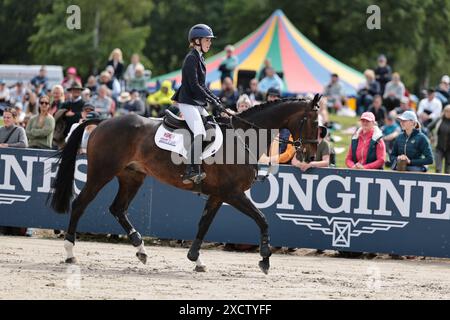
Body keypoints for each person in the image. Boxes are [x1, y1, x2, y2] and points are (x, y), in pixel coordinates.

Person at [172, 24, 222, 184]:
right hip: (187, 102)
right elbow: (194, 85)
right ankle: (190, 169)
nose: (210, 43)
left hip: (196, 103)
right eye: (207, 40)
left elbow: (203, 86)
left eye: (209, 40)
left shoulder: (199, 57)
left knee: (211, 126)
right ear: (197, 40)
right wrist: (212, 100)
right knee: (200, 133)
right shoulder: (191, 58)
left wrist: (216, 99)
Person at [427, 104, 450, 174]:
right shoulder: (439, 120)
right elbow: (429, 127)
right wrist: (431, 136)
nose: (448, 113)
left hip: (449, 149)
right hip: (438, 147)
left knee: (448, 170)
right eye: (447, 111)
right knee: (438, 169)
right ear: (444, 111)